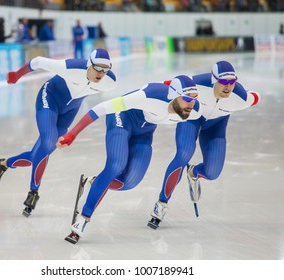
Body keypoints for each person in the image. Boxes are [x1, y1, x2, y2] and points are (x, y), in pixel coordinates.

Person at [57, 75, 203, 244]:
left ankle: (93, 183)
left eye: (194, 99)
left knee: (129, 183)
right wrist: (71, 134)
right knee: (116, 165)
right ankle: (82, 219)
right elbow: (100, 108)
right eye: (187, 99)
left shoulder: (194, 110)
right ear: (173, 95)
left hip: (144, 132)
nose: (191, 104)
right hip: (122, 118)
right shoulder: (148, 96)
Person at [0, 48, 117, 217]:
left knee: (39, 154)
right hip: (49, 98)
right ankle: (34, 192)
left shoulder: (110, 81)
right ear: (89, 65)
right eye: (98, 68)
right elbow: (37, 61)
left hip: (70, 110)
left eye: (105, 69)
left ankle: (3, 164)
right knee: (47, 141)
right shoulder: (71, 67)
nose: (101, 73)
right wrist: (16, 75)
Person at [148, 61, 260, 229]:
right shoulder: (197, 85)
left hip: (216, 127)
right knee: (184, 154)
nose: (228, 86)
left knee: (213, 172)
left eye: (232, 81)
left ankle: (194, 172)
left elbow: (255, 97)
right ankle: (161, 204)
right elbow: (168, 86)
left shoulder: (240, 97)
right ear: (213, 79)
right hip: (192, 119)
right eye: (223, 81)